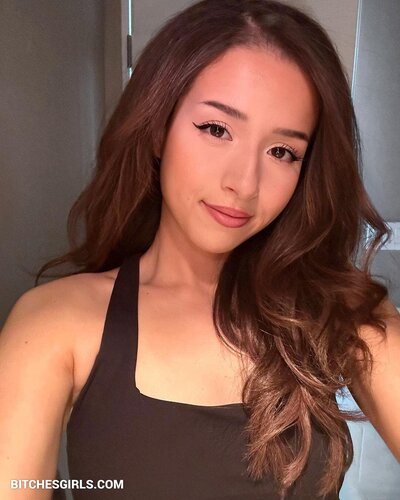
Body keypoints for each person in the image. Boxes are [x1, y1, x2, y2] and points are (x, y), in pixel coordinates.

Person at [1, 0, 399, 498]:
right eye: (216, 129)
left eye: (282, 151)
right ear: (158, 129)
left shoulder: (344, 313)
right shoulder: (54, 323)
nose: (244, 183)